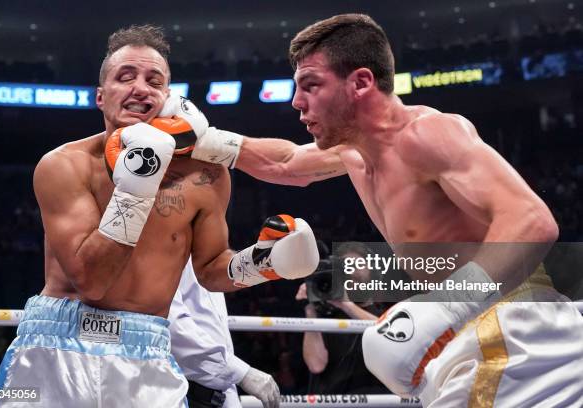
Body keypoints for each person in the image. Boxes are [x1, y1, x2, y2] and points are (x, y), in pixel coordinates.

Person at [173, 14, 583, 407]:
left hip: (518, 328)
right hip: (467, 330)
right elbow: (283, 163)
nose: (297, 102)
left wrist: (445, 307)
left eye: (311, 85)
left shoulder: (429, 134)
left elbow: (532, 220)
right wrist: (204, 139)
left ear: (362, 82)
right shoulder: (351, 152)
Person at [0, 25, 319, 407]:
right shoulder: (63, 166)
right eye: (124, 77)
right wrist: (138, 182)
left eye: (153, 80)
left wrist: (264, 263)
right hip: (53, 350)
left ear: (169, 98)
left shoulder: (206, 175)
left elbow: (210, 269)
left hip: (146, 355)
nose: (140, 87)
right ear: (101, 96)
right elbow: (92, 283)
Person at [168, 258, 280, 408]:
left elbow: (219, 337)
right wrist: (241, 373)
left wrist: (231, 399)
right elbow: (172, 327)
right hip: (177, 392)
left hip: (213, 396)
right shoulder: (167, 247)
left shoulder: (208, 262)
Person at [295, 244, 390, 394]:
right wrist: (311, 308)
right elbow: (316, 365)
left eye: (356, 265)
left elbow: (387, 333)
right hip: (331, 402)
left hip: (375, 400)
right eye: (345, 267)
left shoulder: (388, 315)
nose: (350, 271)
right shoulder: (323, 317)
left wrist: (346, 305)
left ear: (372, 273)